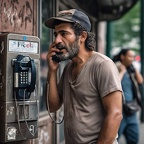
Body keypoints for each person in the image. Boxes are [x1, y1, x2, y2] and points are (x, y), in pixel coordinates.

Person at [44, 9, 123, 144]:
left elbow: (115, 114)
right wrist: (52, 71)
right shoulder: (69, 67)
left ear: (82, 36)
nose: (57, 40)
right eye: (56, 34)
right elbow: (53, 106)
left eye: (64, 34)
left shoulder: (102, 65)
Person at [113, 48, 143, 144]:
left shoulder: (131, 69)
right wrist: (122, 71)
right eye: (130, 56)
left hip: (131, 109)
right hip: (119, 111)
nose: (132, 59)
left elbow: (140, 81)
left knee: (134, 138)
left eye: (133, 57)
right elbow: (113, 83)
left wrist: (135, 70)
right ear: (122, 57)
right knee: (114, 138)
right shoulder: (115, 67)